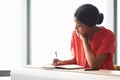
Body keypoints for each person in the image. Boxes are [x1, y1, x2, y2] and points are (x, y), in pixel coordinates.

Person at [52, 4, 116, 70]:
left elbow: (94, 65)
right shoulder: (75, 34)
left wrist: (84, 40)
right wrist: (62, 62)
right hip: (84, 75)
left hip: (104, 76)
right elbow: (78, 59)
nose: (75, 28)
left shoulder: (108, 36)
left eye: (78, 25)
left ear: (90, 25)